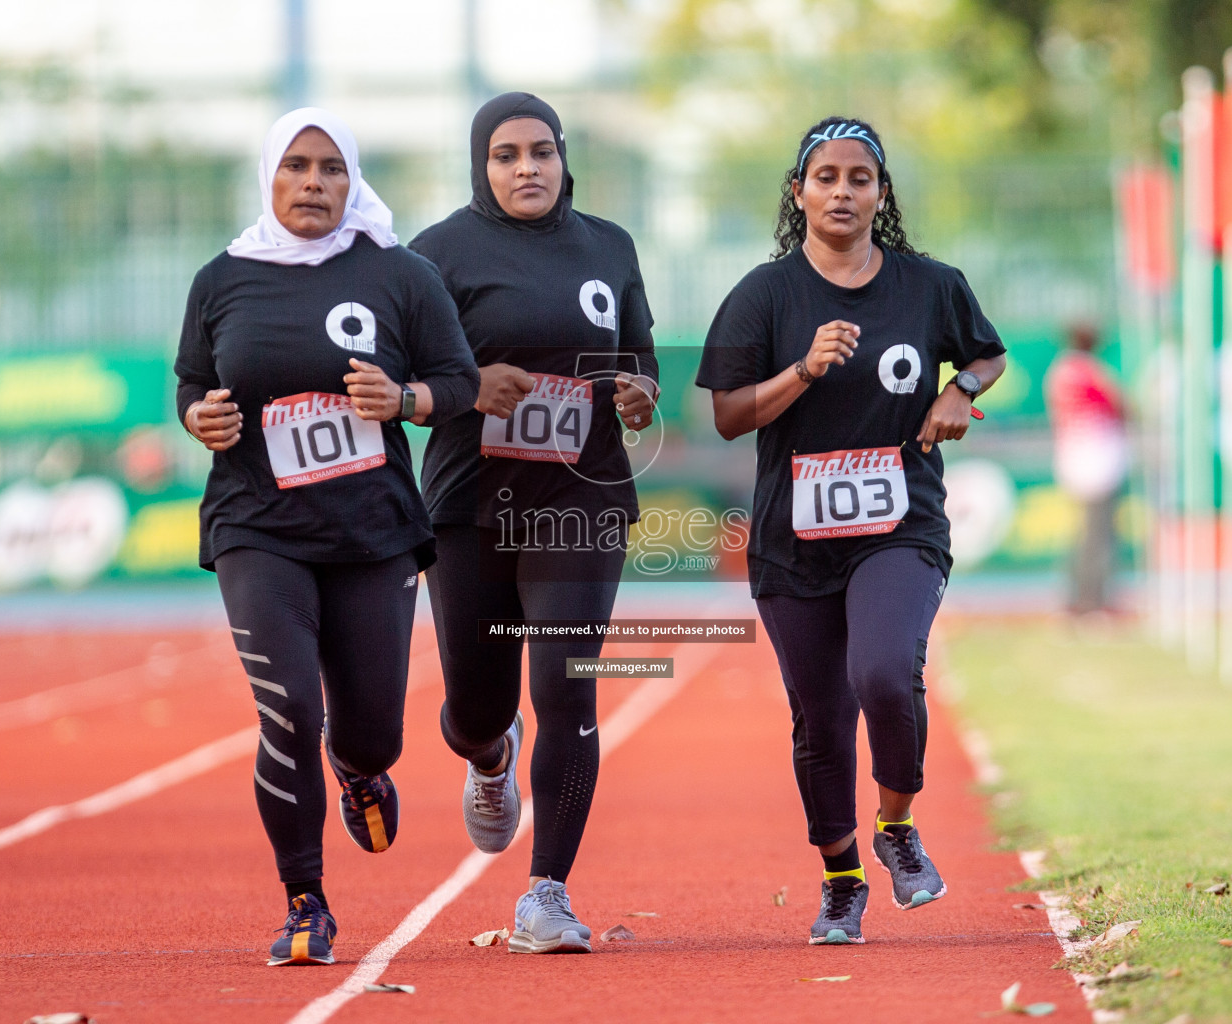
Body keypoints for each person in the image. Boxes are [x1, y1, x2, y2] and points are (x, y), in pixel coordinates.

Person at [174, 107, 480, 966]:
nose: (313, 182)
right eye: (296, 167)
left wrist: (406, 401)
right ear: (269, 177)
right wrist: (198, 416)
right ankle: (305, 899)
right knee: (288, 709)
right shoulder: (222, 279)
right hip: (255, 526)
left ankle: (360, 770)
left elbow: (458, 381)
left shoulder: (401, 275)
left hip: (371, 532)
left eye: (331, 169)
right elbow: (193, 383)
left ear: (353, 183)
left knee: (371, 729)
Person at [696, 117, 1006, 945]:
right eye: (825, 177)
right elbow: (727, 417)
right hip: (792, 542)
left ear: (881, 193)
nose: (842, 191)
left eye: (859, 177)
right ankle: (840, 879)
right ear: (797, 193)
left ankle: (897, 825)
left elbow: (987, 355)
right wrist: (802, 369)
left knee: (882, 669)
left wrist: (960, 391)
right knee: (820, 719)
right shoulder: (764, 296)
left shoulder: (929, 285)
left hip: (900, 522)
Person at [409, 92, 658, 954]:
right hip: (470, 504)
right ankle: (488, 754)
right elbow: (405, 390)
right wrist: (471, 386)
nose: (527, 168)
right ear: (482, 165)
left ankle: (546, 893)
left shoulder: (609, 248)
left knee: (566, 687)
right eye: (507, 154)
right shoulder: (435, 255)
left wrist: (639, 393)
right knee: (479, 707)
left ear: (564, 158)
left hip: (581, 500)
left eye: (541, 152)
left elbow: (642, 362)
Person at [1043, 323, 1127, 615]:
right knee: (1097, 537)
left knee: (1083, 535)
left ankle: (1078, 598)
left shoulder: (1060, 371)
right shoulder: (1090, 370)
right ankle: (1091, 601)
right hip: (1097, 459)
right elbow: (1121, 406)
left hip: (1074, 455)